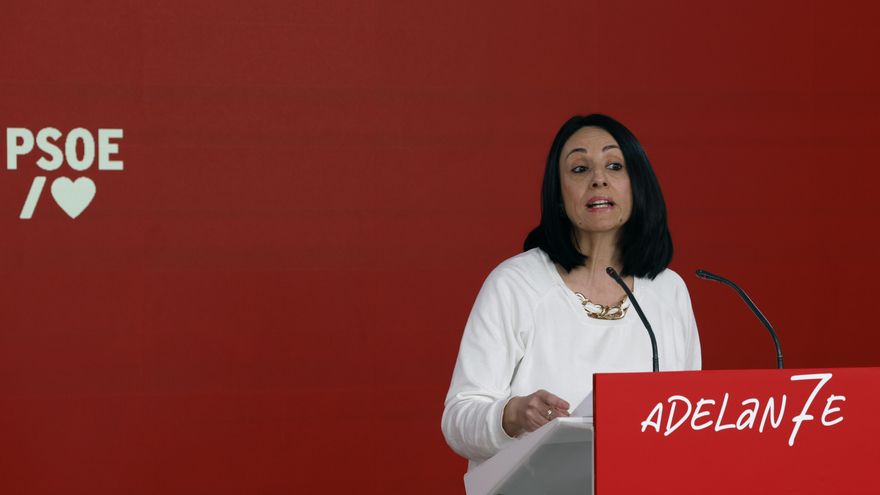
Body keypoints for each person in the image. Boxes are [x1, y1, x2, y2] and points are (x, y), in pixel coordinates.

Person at [441, 114, 702, 469]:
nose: (599, 179)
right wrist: (511, 415)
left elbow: (686, 420)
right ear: (559, 196)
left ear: (637, 186)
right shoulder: (515, 285)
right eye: (580, 169)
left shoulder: (668, 291)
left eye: (614, 166)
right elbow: (458, 419)